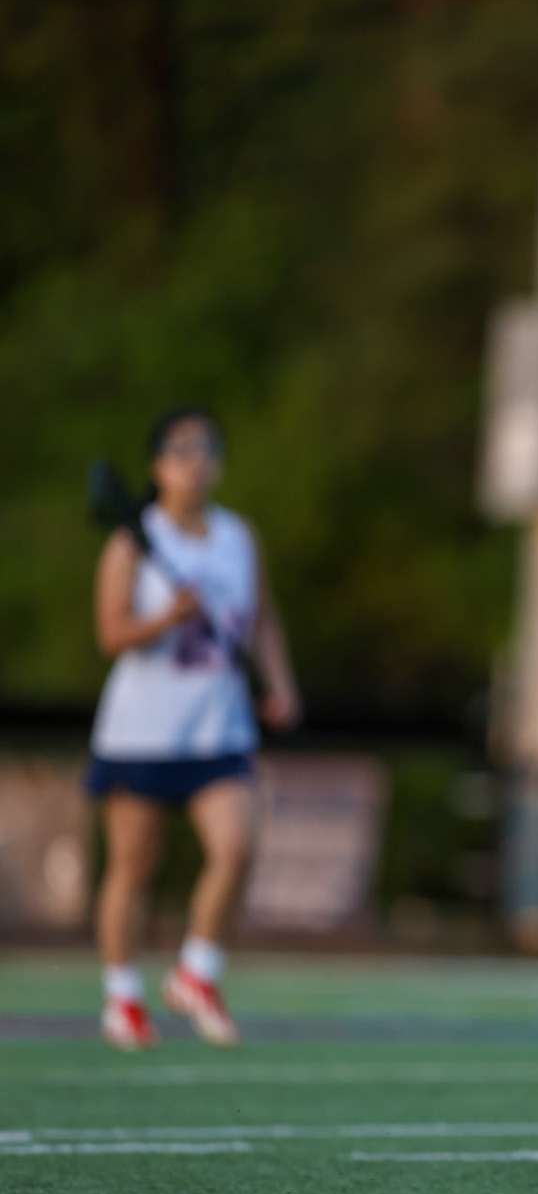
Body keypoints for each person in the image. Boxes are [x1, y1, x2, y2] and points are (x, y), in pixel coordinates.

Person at [87, 405, 301, 1051]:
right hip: (142, 732)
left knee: (237, 848)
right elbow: (110, 633)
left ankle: (197, 974)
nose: (196, 462)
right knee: (134, 865)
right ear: (158, 467)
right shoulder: (133, 540)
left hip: (221, 726)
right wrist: (166, 619)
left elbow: (261, 617)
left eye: (207, 449)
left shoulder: (239, 536)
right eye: (181, 451)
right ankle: (123, 997)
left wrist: (280, 681)